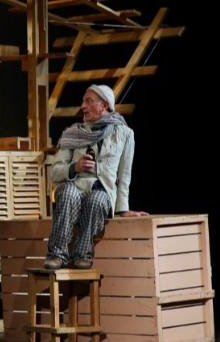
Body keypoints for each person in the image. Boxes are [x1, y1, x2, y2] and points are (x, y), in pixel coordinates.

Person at [45, 84, 147, 270]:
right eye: (83, 101)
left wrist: (122, 209)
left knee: (97, 200)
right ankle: (57, 254)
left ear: (104, 105)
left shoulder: (124, 134)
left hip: (101, 190)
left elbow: (124, 175)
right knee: (67, 193)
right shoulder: (74, 132)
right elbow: (55, 171)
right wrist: (75, 167)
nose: (83, 106)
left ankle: (82, 254)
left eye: (89, 101)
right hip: (75, 186)